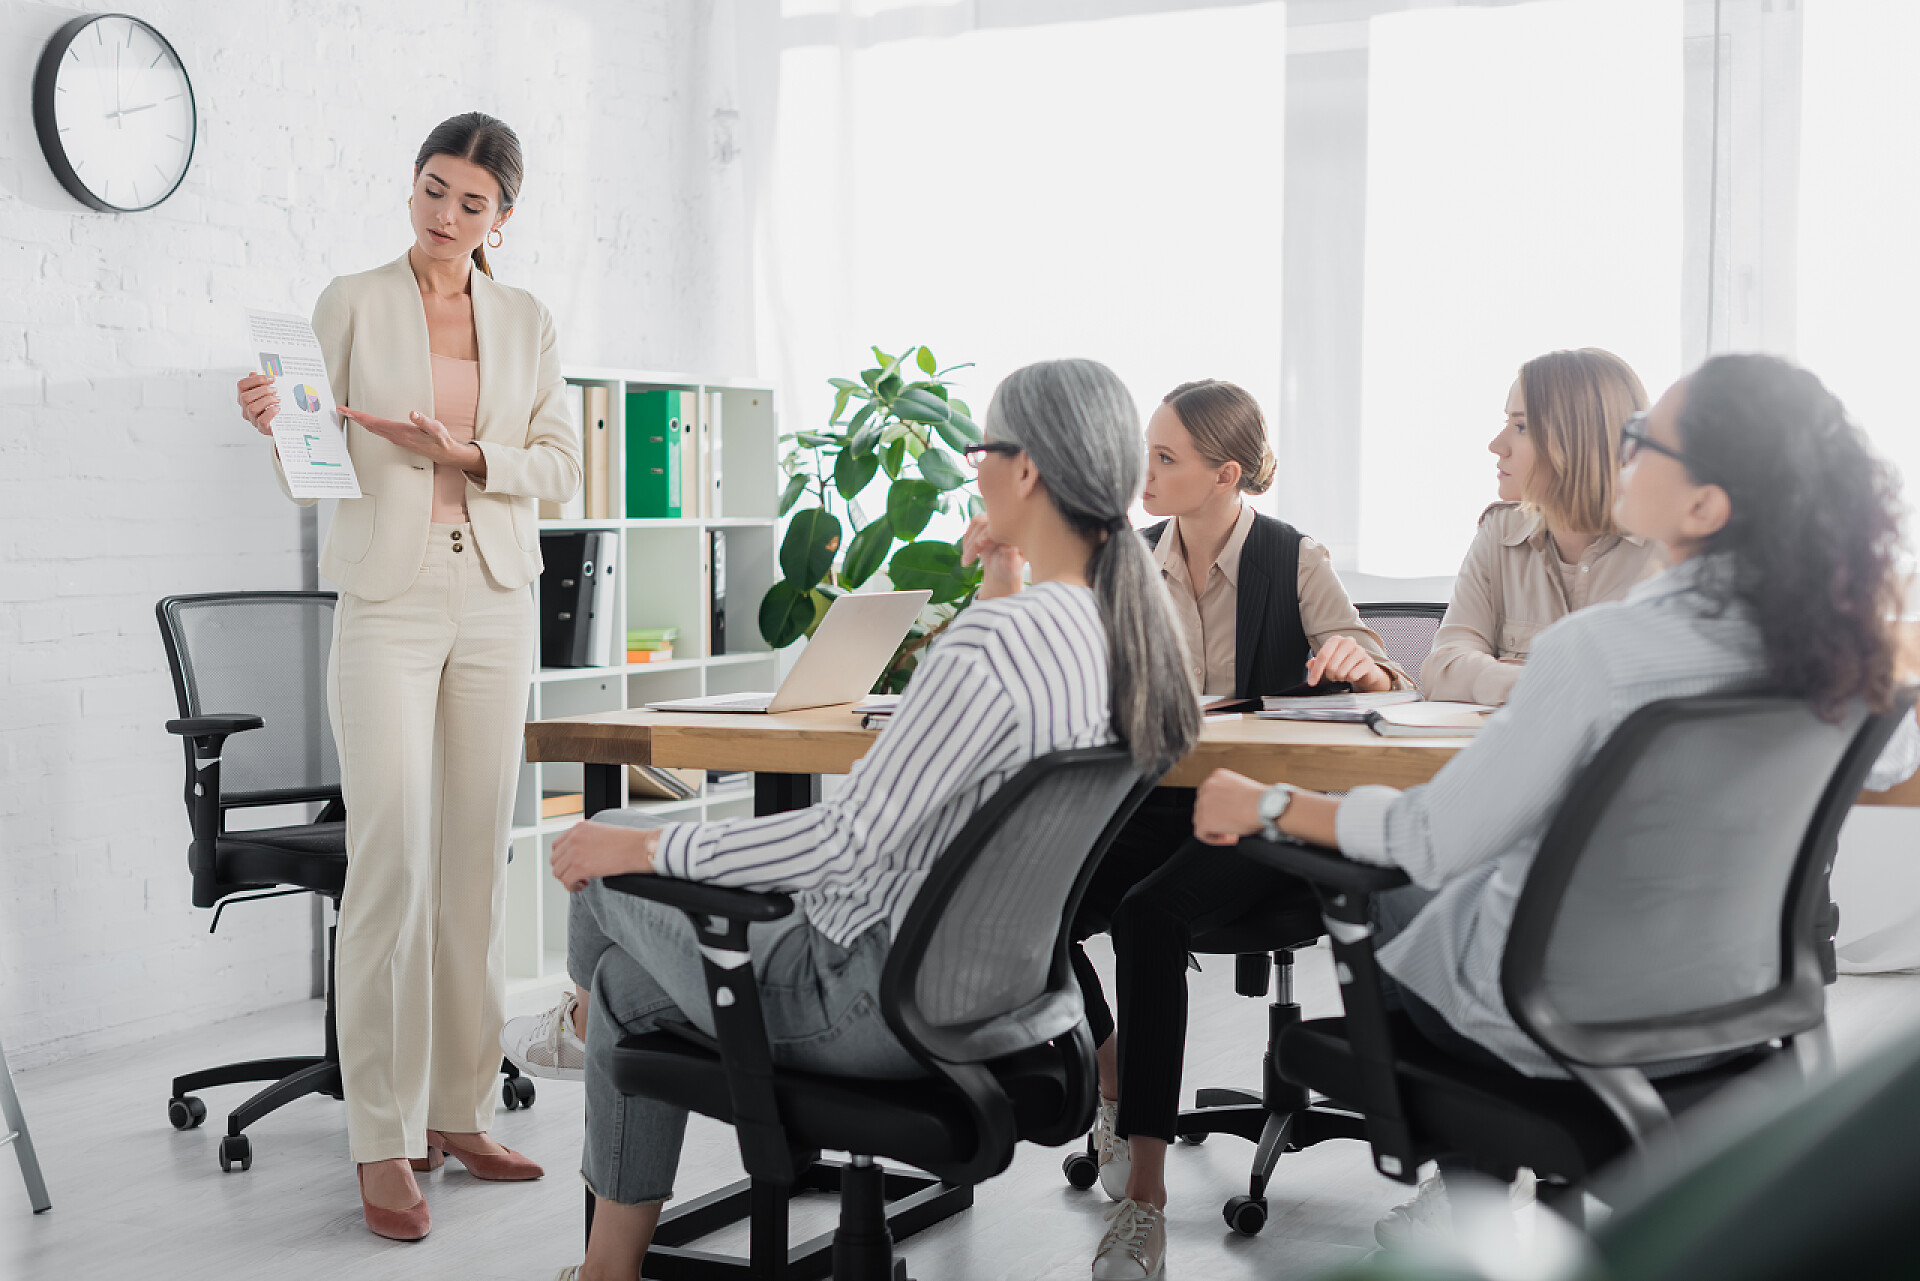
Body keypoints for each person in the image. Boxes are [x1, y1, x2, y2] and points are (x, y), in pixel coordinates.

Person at [1105, 354, 1920, 1275]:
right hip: (1739, 1001)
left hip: (1549, 1011)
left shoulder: (1603, 652)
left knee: (1407, 881)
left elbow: (1428, 837)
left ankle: (1472, 1216)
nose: (1624, 455)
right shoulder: (1847, 660)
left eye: (1645, 442)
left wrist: (1272, 804)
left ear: (1704, 505)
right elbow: (1892, 756)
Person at [495, 358, 1201, 1281]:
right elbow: (999, 734)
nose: (974, 468)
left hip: (864, 999)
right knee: (632, 986)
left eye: (982, 450)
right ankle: (606, 1264)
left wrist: (646, 845)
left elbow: (842, 840)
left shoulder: (994, 643)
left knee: (604, 858)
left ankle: (578, 1021)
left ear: (1025, 469)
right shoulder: (1125, 638)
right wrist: (1003, 572)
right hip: (1003, 1005)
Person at [234, 112, 581, 1240]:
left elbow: (561, 468)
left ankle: (460, 1110)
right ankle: (380, 1135)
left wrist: (464, 454)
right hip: (387, 598)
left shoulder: (526, 320)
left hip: (495, 594)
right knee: (391, 860)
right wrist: (275, 427)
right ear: (414, 185)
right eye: (433, 188)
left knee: (476, 866)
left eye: (471, 202)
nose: (445, 214)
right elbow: (314, 468)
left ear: (502, 217)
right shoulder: (351, 301)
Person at [962, 379, 1410, 1209]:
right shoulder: (1126, 561)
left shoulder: (1292, 557)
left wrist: (1363, 664)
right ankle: (1112, 1073)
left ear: (1225, 474)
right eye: (1147, 451)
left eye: (1166, 457)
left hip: (1257, 817)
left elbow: (1377, 666)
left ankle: (1147, 1193)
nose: (1146, 471)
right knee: (1022, 900)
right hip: (1154, 805)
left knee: (1147, 915)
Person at [1422, 348, 1666, 705]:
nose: (1496, 445)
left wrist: (1507, 680)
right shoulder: (1500, 531)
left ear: (1578, 440)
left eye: (1521, 427)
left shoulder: (1669, 551)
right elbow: (1442, 667)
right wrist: (1533, 683)